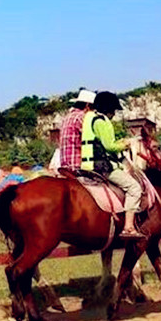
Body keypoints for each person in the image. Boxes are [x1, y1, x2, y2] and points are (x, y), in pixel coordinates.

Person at [81, 91, 144, 239]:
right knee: (134, 188)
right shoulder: (101, 122)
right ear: (108, 109)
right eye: (113, 110)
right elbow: (109, 146)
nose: (114, 114)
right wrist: (125, 144)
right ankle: (128, 227)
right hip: (102, 166)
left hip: (89, 164)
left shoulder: (91, 119)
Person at [54, 89, 96, 170]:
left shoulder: (66, 117)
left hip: (65, 166)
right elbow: (93, 140)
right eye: (93, 107)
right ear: (87, 106)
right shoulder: (82, 118)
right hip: (77, 165)